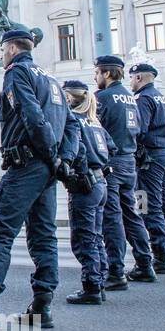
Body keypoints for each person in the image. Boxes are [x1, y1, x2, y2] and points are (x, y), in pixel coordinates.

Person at [0, 29, 68, 329]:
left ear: (11, 48)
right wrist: (60, 160)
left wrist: (47, 152)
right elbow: (71, 126)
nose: (1, 54)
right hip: (47, 168)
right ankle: (41, 307)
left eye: (2, 49)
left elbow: (31, 116)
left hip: (26, 164)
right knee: (44, 235)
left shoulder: (17, 73)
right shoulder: (52, 80)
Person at [93, 55, 154, 286]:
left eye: (97, 72)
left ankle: (116, 271)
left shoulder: (103, 97)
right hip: (129, 161)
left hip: (112, 162)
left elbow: (96, 129)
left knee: (112, 218)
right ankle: (145, 263)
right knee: (132, 214)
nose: (96, 77)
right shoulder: (131, 97)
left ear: (107, 73)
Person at [129, 63, 165, 274]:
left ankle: (160, 255)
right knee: (164, 205)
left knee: (147, 205)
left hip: (150, 158)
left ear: (140, 78)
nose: (131, 82)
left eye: (132, 77)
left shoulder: (143, 99)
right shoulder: (161, 97)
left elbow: (139, 130)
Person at [61, 81, 111, 305]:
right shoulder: (95, 122)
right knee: (96, 236)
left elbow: (77, 150)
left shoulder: (73, 121)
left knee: (83, 238)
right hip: (100, 182)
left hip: (86, 184)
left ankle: (91, 285)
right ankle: (99, 282)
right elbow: (113, 148)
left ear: (70, 98)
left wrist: (75, 174)